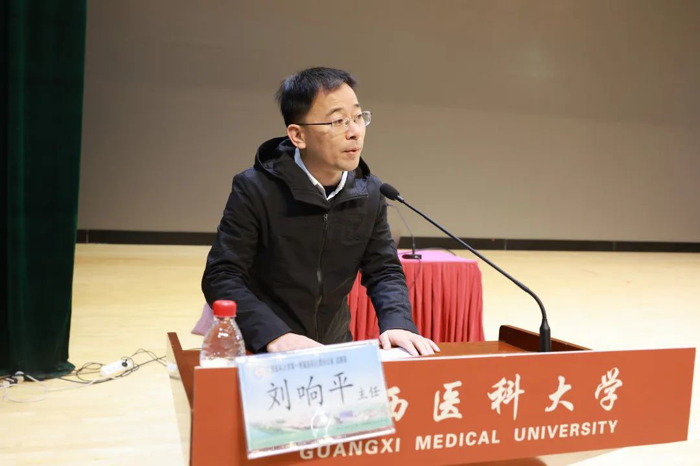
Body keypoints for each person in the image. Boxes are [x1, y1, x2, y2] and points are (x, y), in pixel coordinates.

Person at [202, 67, 439, 356]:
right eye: (338, 121)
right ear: (298, 135)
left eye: (358, 117)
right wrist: (275, 335)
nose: (354, 132)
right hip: (266, 347)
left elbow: (384, 270)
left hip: (333, 347)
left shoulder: (369, 192)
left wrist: (398, 323)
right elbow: (221, 275)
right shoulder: (256, 189)